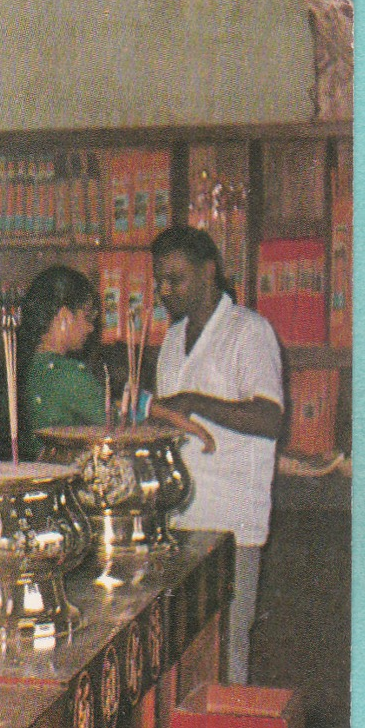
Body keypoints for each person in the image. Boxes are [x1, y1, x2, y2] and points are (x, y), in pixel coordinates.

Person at [144, 225, 284, 686]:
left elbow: (269, 418)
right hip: (177, 519)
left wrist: (196, 402)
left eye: (176, 279)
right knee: (182, 655)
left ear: (209, 273)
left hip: (229, 524)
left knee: (226, 649)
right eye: (159, 281)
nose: (165, 291)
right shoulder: (172, 338)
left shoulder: (249, 331)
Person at [15, 265, 108, 436]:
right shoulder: (70, 375)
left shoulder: (16, 367)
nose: (91, 328)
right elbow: (116, 426)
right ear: (64, 317)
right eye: (87, 317)